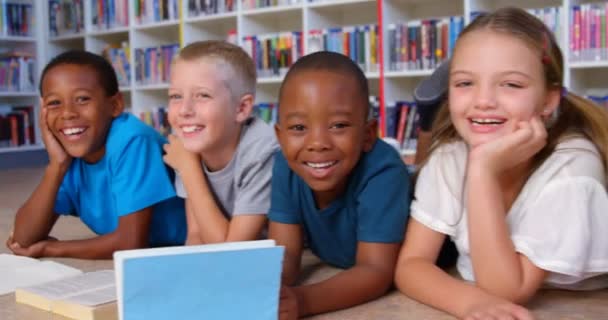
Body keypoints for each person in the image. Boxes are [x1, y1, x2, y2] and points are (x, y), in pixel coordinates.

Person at [395, 7, 608, 320]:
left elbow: (505, 290)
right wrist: (467, 302)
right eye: (465, 83)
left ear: (549, 100)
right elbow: (411, 264)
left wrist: (482, 171)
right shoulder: (450, 157)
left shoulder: (572, 171)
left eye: (511, 85)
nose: (483, 100)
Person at [269, 51, 411, 319]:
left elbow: (376, 271)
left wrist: (302, 300)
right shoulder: (284, 165)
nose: (318, 142)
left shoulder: (383, 170)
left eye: (338, 125)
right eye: (299, 128)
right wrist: (268, 288)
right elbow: (285, 257)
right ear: (280, 136)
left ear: (368, 134)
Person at [7, 50, 186, 259]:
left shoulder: (132, 139)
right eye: (54, 103)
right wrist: (56, 166)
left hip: (192, 248)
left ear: (115, 105)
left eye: (82, 99)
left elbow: (131, 243)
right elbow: (23, 239)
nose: (67, 113)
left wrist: (51, 248)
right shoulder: (68, 156)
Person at [163, 40, 279, 244]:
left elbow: (231, 251)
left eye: (203, 95)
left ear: (242, 108)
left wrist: (189, 170)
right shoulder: (191, 146)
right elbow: (196, 236)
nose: (184, 110)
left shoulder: (262, 152)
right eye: (176, 96)